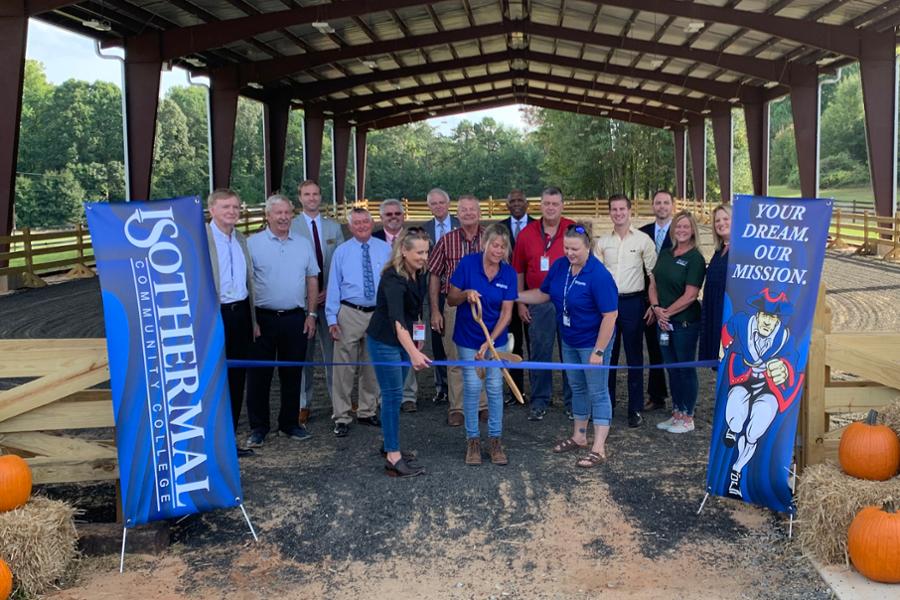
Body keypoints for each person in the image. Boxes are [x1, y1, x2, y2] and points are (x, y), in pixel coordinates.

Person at [519, 222, 618, 468]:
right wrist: (514, 295)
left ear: (588, 247)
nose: (569, 253)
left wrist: (598, 350)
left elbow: (610, 315)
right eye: (566, 248)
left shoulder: (598, 275)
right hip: (570, 338)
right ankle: (579, 436)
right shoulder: (561, 266)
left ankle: (599, 447)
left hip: (592, 341)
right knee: (576, 386)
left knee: (597, 390)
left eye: (575, 249)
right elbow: (544, 294)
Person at [245, 194, 319, 448]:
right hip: (262, 319)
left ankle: (289, 424)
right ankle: (258, 427)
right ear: (268, 216)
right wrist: (251, 320)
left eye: (288, 213)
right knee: (259, 377)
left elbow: (312, 279)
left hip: (295, 318)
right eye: (278, 213)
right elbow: (247, 284)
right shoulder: (252, 244)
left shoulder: (302, 243)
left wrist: (311, 315)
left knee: (292, 374)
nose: (284, 217)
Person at [447, 224, 518, 466]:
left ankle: (495, 440)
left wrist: (489, 344)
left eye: (503, 246)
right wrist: (466, 293)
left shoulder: (508, 273)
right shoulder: (468, 264)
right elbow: (451, 298)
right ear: (484, 244)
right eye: (494, 245)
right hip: (468, 337)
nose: (498, 250)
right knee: (472, 386)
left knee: (496, 387)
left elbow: (507, 314)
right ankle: (473, 441)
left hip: (495, 340)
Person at [366, 228, 432, 478]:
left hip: (403, 340)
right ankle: (393, 456)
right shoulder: (392, 278)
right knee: (393, 396)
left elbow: (416, 310)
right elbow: (396, 320)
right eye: (419, 252)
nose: (424, 257)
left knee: (396, 392)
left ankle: (389, 444)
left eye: (426, 252)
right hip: (384, 341)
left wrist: (419, 339)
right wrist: (413, 353)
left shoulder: (420, 273)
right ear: (403, 251)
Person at [326, 208, 392, 437]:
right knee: (343, 367)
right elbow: (334, 285)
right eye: (357, 223)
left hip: (377, 313)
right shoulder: (342, 252)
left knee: (372, 365)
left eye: (365, 221)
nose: (362, 225)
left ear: (372, 223)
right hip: (350, 312)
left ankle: (367, 410)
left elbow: (391, 283)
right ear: (350, 226)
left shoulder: (385, 249)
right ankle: (342, 416)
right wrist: (331, 318)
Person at [511, 186, 574, 422]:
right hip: (538, 302)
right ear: (540, 205)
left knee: (570, 351)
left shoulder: (573, 229)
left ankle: (572, 401)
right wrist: (520, 302)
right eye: (546, 203)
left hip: (569, 302)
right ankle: (539, 400)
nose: (550, 208)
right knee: (540, 351)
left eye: (555, 204)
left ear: (562, 206)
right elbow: (518, 270)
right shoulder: (527, 233)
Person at [594, 194, 657, 428]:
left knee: (634, 357)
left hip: (633, 303)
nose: (618, 213)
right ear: (610, 212)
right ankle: (605, 407)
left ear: (630, 211)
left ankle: (635, 409)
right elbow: (596, 277)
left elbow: (652, 275)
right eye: (614, 209)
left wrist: (653, 304)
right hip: (608, 305)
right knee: (607, 356)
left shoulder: (643, 240)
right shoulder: (602, 242)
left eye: (622, 209)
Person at [428, 195, 488, 426]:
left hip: (484, 306)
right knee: (454, 356)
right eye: (464, 210)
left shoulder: (489, 239)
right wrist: (435, 310)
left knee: (483, 354)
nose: (469, 213)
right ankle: (458, 407)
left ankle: (483, 405)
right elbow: (434, 275)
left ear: (479, 212)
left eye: (473, 209)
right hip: (453, 305)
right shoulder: (446, 240)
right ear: (458, 213)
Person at [206, 188, 257, 457]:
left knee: (236, 379)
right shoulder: (202, 239)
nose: (232, 212)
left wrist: (254, 320)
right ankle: (209, 442)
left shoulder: (240, 239)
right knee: (213, 379)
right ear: (211, 209)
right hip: (215, 316)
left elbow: (249, 282)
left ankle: (229, 442)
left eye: (236, 207)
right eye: (226, 207)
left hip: (241, 315)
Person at [291, 180, 346, 425]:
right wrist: (311, 296)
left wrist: (329, 292)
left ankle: (339, 403)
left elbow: (342, 264)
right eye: (307, 194)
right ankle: (304, 403)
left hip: (331, 301)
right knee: (304, 355)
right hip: (302, 303)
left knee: (334, 354)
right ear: (300, 198)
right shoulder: (291, 227)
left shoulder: (334, 228)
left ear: (320, 197)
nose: (312, 198)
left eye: (315, 194)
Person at [646, 211, 706, 434]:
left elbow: (690, 296)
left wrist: (666, 313)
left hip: (684, 324)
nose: (681, 230)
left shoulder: (695, 259)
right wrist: (655, 308)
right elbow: (653, 282)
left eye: (686, 227)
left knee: (685, 369)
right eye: (678, 227)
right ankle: (677, 412)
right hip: (664, 323)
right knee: (671, 369)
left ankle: (688, 416)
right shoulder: (666, 254)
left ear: (692, 231)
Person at [373, 199, 422, 412]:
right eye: (388, 214)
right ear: (382, 218)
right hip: (384, 314)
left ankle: (408, 396)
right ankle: (387, 399)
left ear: (403, 216)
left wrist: (419, 335)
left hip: (410, 318)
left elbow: (419, 305)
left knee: (410, 355)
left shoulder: (417, 248)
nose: (393, 217)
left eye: (397, 214)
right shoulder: (374, 241)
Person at [422, 188, 459, 405]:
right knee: (438, 340)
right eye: (433, 204)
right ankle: (442, 387)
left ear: (448, 203)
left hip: (458, 292)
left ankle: (463, 386)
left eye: (441, 202)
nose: (438, 207)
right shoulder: (423, 229)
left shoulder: (460, 225)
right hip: (436, 291)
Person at [498, 189, 534, 406]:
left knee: (535, 344)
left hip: (531, 293)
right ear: (508, 205)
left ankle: (539, 391)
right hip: (505, 294)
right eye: (513, 201)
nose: (517, 204)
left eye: (521, 200)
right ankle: (516, 391)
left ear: (527, 204)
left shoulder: (537, 226)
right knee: (512, 344)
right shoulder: (499, 228)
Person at [639, 190, 674, 412]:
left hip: (675, 302)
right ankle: (656, 394)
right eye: (657, 202)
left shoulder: (681, 232)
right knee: (654, 349)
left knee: (675, 351)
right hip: (649, 303)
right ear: (653, 206)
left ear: (672, 205)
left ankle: (681, 399)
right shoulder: (642, 234)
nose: (661, 206)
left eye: (665, 203)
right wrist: (652, 304)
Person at [699, 204, 732, 363]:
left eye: (726, 218)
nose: (721, 223)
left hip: (729, 315)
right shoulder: (719, 251)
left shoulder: (744, 250)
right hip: (715, 312)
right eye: (717, 220)